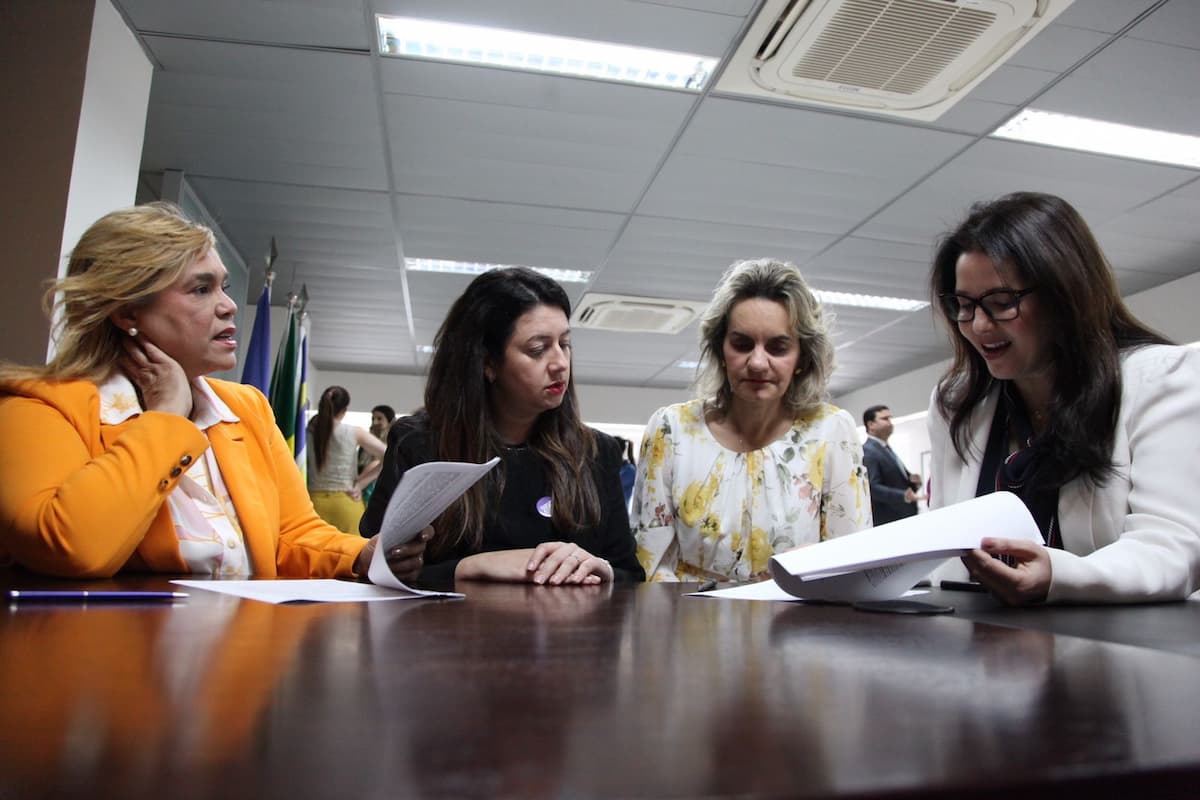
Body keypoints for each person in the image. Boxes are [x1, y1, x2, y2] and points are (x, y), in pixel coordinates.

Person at [0, 202, 425, 581]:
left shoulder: (245, 407)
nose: (229, 305)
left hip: (242, 655)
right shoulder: (38, 407)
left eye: (222, 286)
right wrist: (165, 419)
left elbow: (291, 535)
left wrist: (360, 555)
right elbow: (75, 548)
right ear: (128, 310)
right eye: (201, 289)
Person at [927, 191, 1200, 605]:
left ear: (1065, 295)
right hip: (982, 646)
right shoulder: (956, 402)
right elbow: (941, 544)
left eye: (1002, 303)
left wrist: (1059, 574)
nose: (979, 325)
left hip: (1114, 653)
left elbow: (1172, 548)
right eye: (964, 306)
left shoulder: (1162, 379)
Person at [360, 267, 644, 585]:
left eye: (564, 344)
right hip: (449, 632)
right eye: (537, 349)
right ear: (487, 363)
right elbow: (376, 571)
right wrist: (470, 567)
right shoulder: (418, 443)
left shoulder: (597, 452)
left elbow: (629, 575)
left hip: (570, 633)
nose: (560, 363)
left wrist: (601, 570)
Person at [631, 258, 871, 583]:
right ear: (720, 349)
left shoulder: (832, 432)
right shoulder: (671, 430)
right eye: (742, 344)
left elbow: (852, 561)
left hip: (797, 627)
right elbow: (649, 563)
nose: (758, 362)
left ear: (802, 357)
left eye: (778, 347)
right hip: (689, 624)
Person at [306, 386, 386, 533]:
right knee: (353, 554)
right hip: (346, 503)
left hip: (312, 505)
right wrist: (361, 484)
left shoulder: (308, 431)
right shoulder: (353, 432)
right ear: (344, 410)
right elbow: (388, 455)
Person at [861, 404, 922, 524]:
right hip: (890, 520)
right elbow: (872, 487)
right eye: (884, 419)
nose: (890, 422)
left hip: (902, 517)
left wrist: (914, 484)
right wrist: (903, 495)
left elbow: (895, 482)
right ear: (871, 424)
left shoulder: (886, 450)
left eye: (890, 418)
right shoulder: (868, 451)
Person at [357, 403, 396, 506]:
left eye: (379, 419)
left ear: (389, 421)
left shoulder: (393, 441)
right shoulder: (365, 440)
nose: (375, 422)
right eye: (373, 418)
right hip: (363, 485)